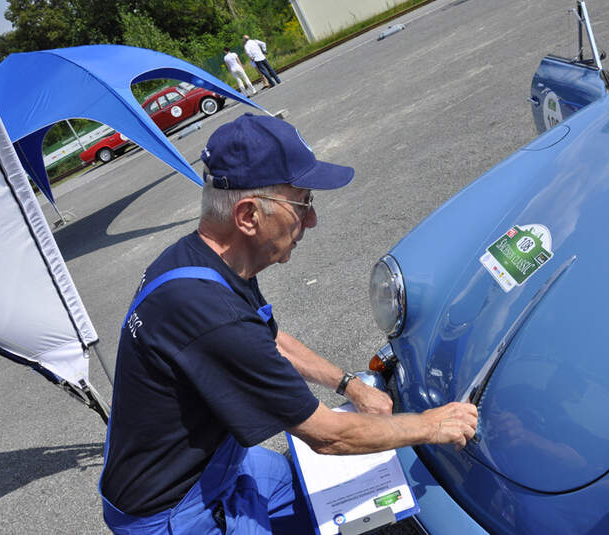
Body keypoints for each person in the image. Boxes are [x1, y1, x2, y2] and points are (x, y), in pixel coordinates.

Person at [99, 113, 478, 535]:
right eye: (303, 204)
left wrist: (349, 385)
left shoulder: (202, 261)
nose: (312, 220)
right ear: (247, 217)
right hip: (173, 510)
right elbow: (328, 436)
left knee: (312, 500)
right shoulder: (212, 315)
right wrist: (432, 424)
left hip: (213, 461)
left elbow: (269, 338)